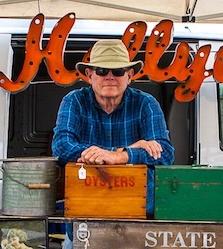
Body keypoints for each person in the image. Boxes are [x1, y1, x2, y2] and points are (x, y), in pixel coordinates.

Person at [52, 39, 174, 169]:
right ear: (89, 75)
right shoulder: (74, 100)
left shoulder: (146, 103)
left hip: (134, 188)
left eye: (118, 71)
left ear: (129, 76)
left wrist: (117, 157)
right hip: (86, 187)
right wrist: (122, 151)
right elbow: (61, 147)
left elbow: (165, 153)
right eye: (101, 71)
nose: (110, 77)